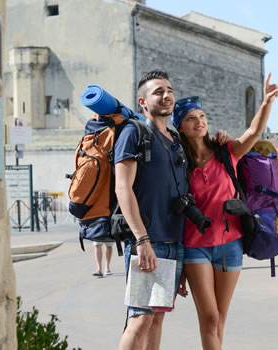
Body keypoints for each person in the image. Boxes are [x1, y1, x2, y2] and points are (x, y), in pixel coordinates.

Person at [115, 70, 231, 350]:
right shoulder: (134, 133)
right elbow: (123, 188)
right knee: (140, 321)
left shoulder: (176, 141)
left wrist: (219, 141)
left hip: (174, 245)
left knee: (156, 321)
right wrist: (142, 240)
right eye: (157, 92)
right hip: (148, 242)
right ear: (143, 102)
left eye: (169, 90)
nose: (166, 95)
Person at [172, 73, 278, 350]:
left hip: (231, 243)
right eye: (191, 118)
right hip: (196, 246)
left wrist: (266, 102)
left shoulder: (225, 151)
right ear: (181, 127)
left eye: (202, 116)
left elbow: (253, 133)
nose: (200, 122)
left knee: (220, 318)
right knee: (208, 317)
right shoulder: (179, 162)